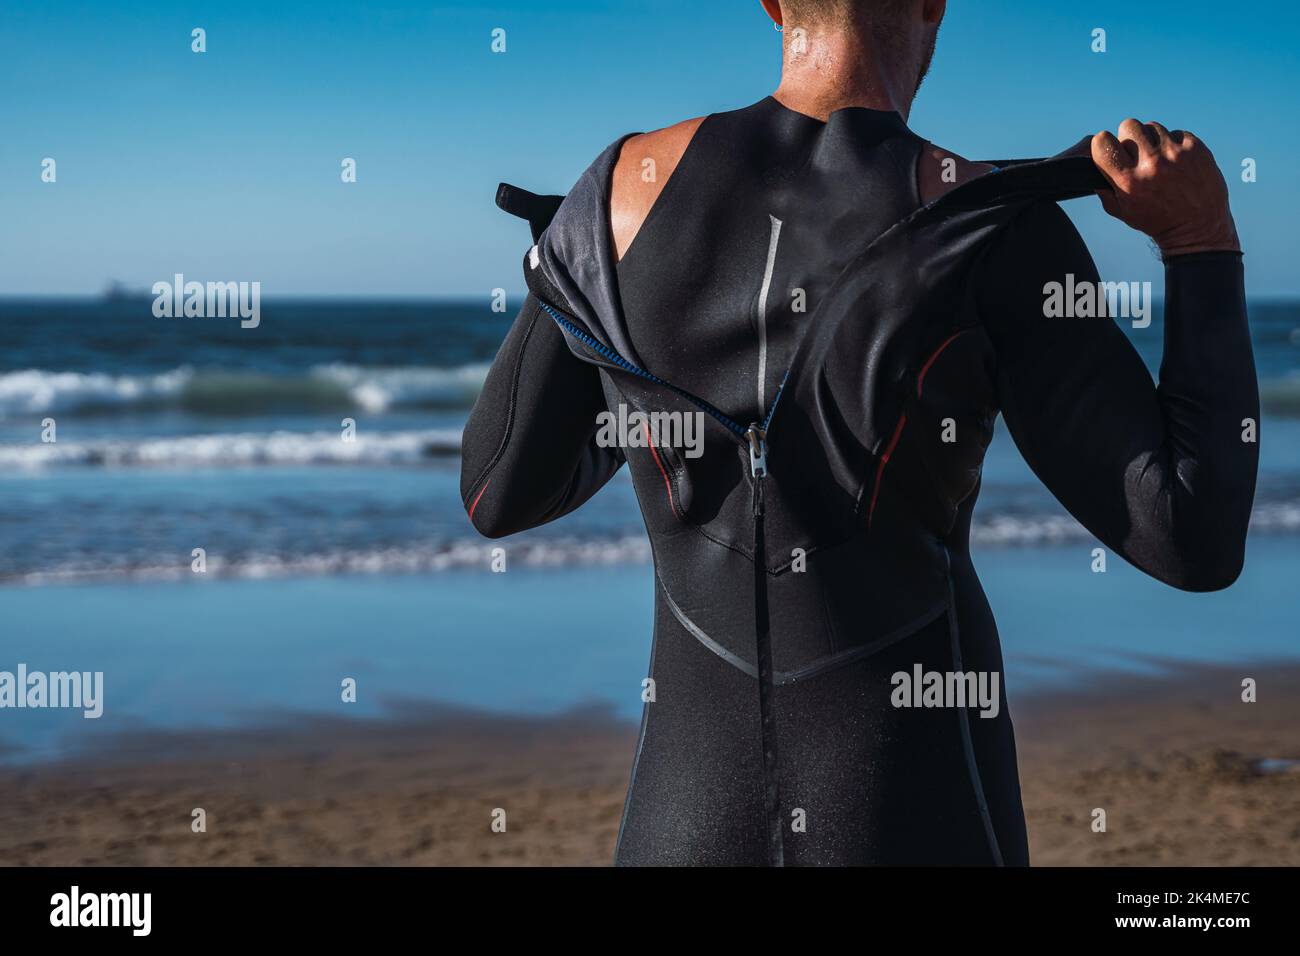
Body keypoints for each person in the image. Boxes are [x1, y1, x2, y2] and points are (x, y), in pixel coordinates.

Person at [459, 0, 1258, 865]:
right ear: (933, 5)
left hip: (680, 823)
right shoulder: (995, 227)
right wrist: (1198, 241)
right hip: (918, 807)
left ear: (770, 3)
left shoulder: (612, 201)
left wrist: (612, 318)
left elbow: (498, 489)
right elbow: (1188, 534)